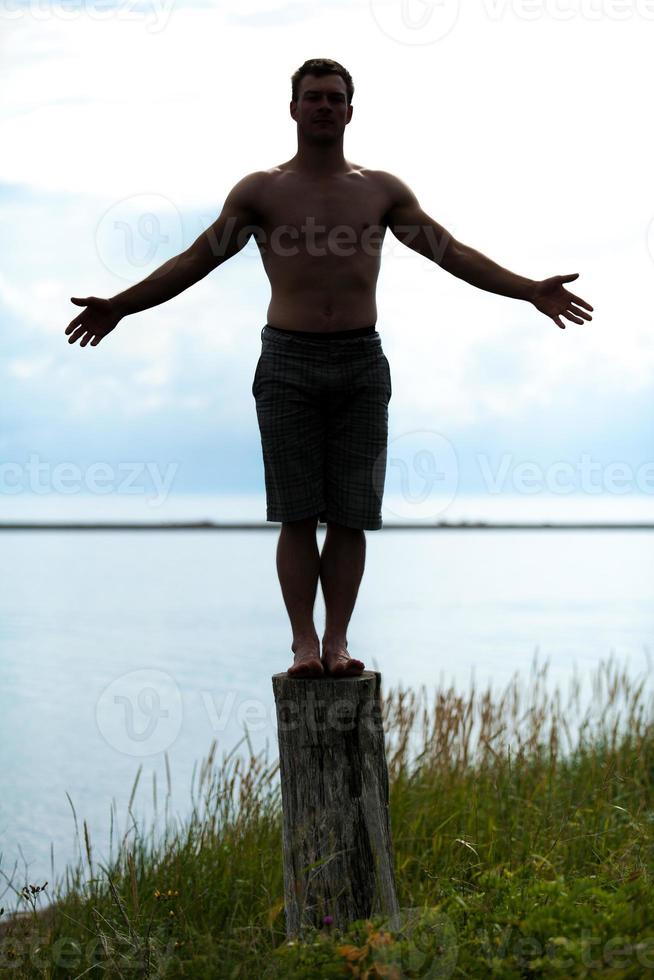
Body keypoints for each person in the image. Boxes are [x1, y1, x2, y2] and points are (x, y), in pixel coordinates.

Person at [64, 58, 594, 680]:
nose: (323, 106)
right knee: (295, 514)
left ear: (350, 110)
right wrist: (121, 306)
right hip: (287, 361)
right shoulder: (260, 191)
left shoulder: (381, 191)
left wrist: (529, 288)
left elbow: (451, 253)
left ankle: (337, 642)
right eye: (312, 97)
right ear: (292, 109)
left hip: (361, 362)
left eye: (334, 98)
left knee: (350, 515)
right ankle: (303, 644)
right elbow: (194, 260)